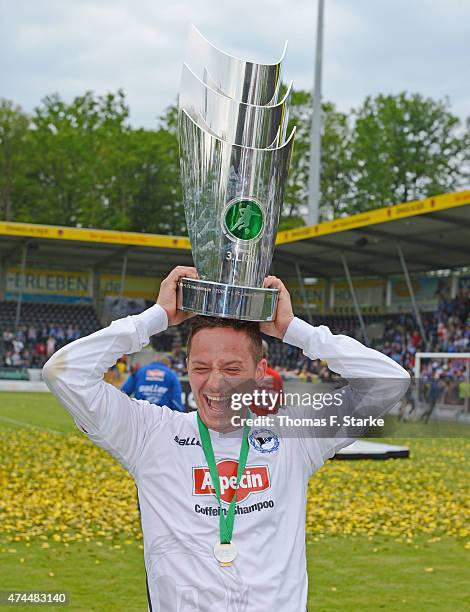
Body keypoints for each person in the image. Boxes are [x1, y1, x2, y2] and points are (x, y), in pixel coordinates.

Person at [42, 266, 409, 611]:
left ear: (260, 371)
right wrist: (154, 318)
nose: (216, 384)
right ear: (186, 368)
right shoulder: (148, 434)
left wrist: (294, 329)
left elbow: (390, 382)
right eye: (201, 368)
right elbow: (64, 373)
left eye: (233, 369)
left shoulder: (296, 437)